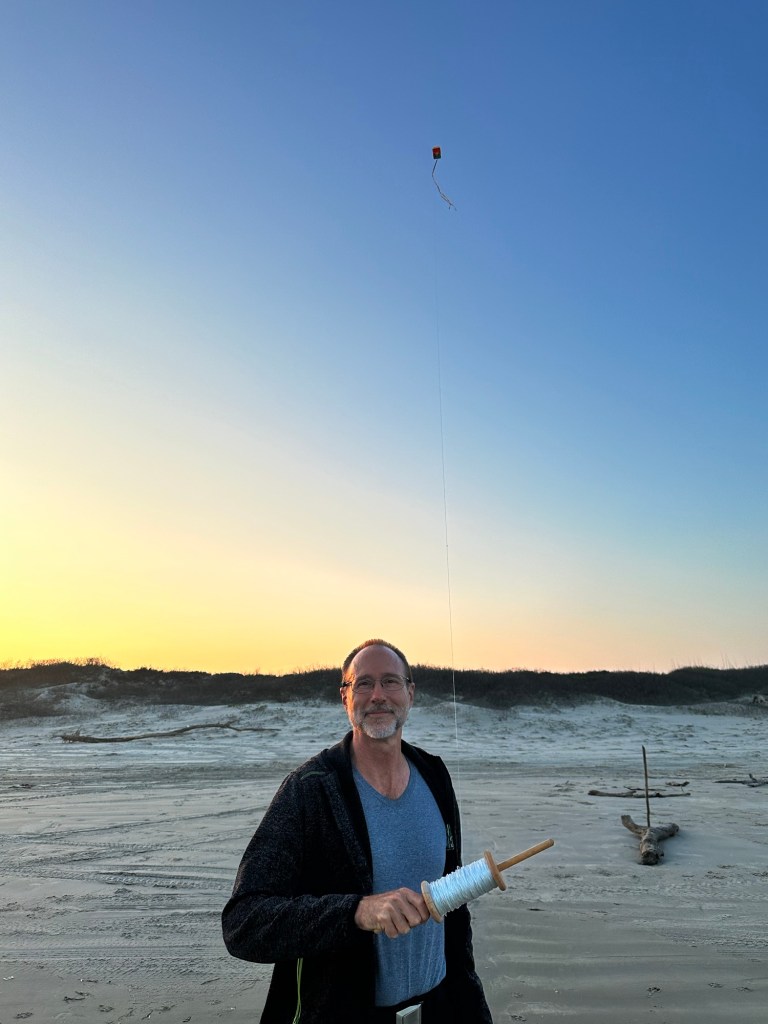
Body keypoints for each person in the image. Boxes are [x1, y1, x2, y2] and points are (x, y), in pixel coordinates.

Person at [222, 638, 493, 1024]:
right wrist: (357, 912)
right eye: (363, 683)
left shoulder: (435, 775)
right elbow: (243, 923)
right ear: (344, 697)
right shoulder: (311, 789)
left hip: (438, 1008)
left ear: (410, 693)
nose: (378, 695)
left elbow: (454, 908)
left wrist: (472, 1009)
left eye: (390, 682)